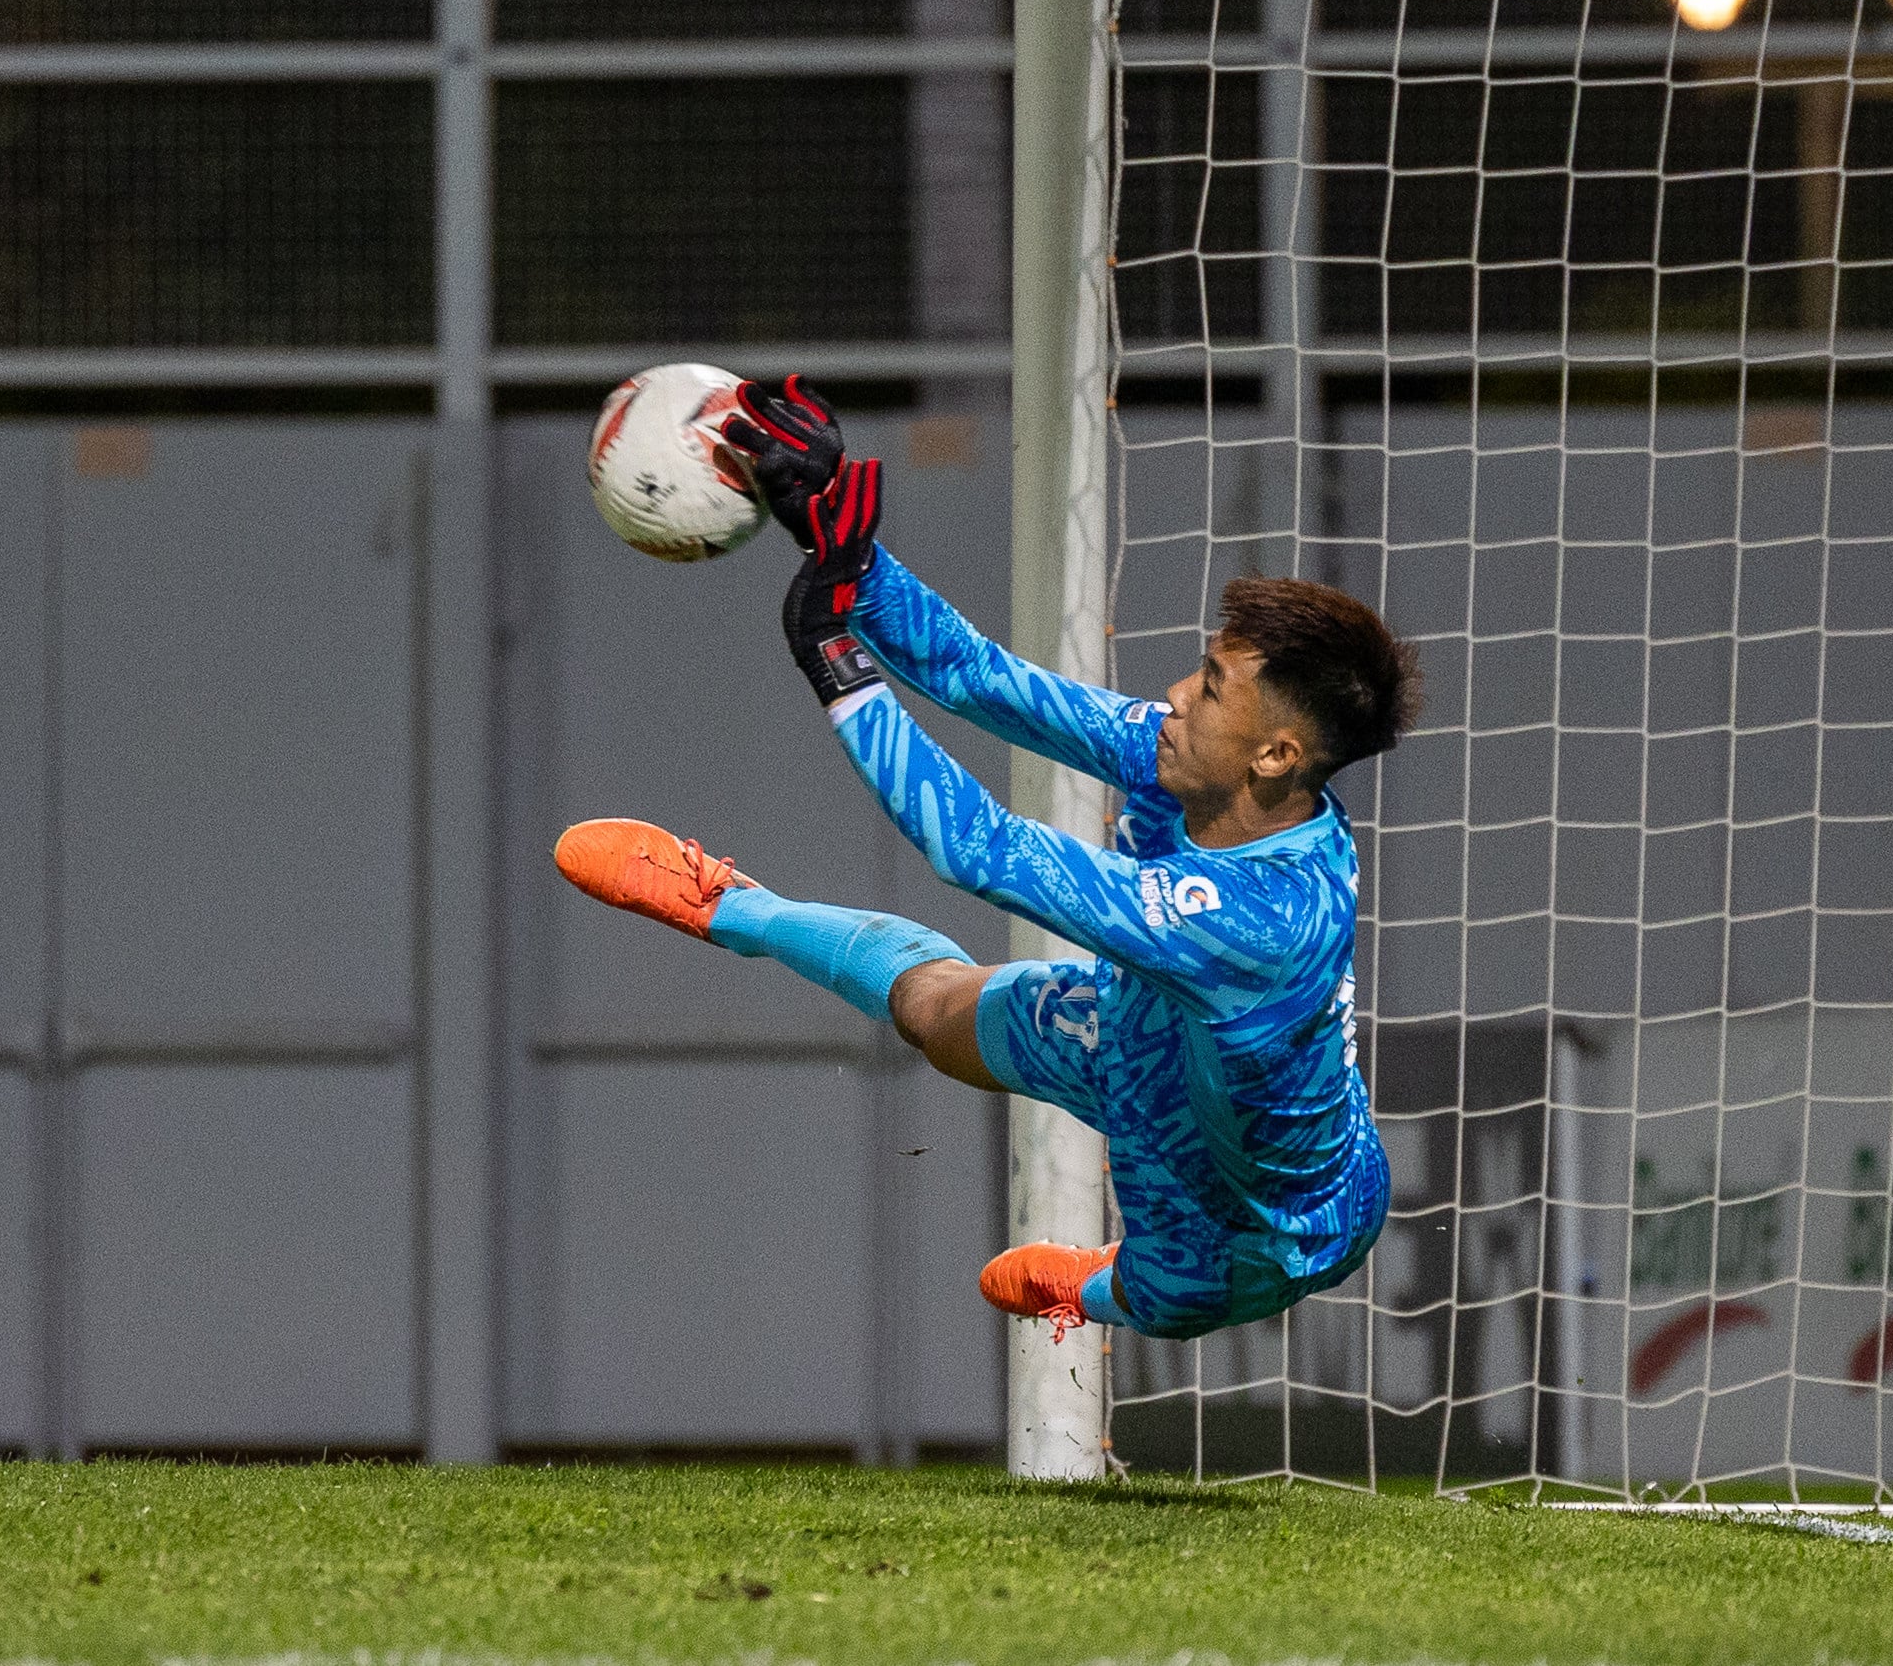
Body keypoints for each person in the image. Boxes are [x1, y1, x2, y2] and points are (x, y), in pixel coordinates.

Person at [554, 376, 1416, 1342]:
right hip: (1136, 1037)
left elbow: (980, 848)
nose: (1175, 693)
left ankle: (1091, 1285)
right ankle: (732, 908)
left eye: (1211, 688)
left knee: (1164, 1304)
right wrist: (835, 539)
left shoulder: (1259, 922)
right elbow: (980, 677)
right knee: (932, 1013)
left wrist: (838, 668)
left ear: (1276, 755)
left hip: (1250, 1221)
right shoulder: (1192, 763)